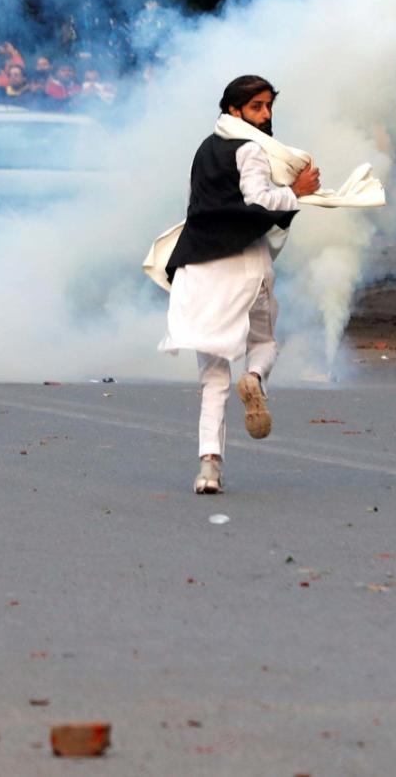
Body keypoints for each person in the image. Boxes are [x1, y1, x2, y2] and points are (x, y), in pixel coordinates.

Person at [159, 75, 320, 494]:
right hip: (245, 264)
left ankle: (208, 469)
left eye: (268, 107)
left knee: (212, 379)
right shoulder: (251, 149)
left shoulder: (205, 149)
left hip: (198, 270)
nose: (266, 116)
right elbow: (259, 202)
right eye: (257, 108)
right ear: (235, 111)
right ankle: (254, 377)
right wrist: (296, 192)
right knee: (264, 342)